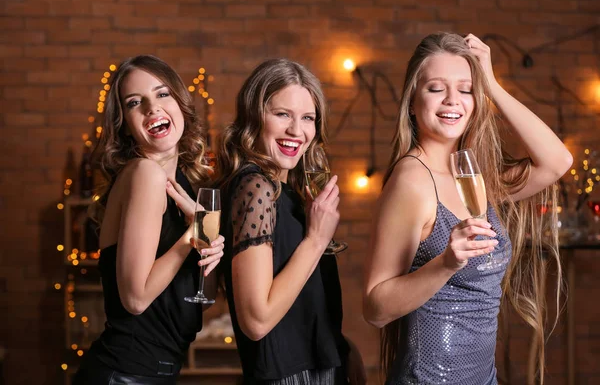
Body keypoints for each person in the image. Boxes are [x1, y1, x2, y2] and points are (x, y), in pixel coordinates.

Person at [363, 33, 572, 384]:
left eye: (465, 89)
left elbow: (556, 162)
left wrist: (489, 83)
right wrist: (446, 263)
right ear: (413, 101)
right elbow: (375, 309)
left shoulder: (474, 174)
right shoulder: (412, 181)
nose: (452, 101)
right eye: (435, 88)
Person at [73, 55, 225, 384]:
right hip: (125, 374)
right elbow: (136, 298)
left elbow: (205, 298)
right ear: (125, 124)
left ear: (181, 104)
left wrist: (208, 241)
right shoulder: (143, 174)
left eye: (162, 94)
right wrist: (191, 235)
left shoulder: (189, 184)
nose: (152, 108)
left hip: (157, 372)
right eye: (134, 102)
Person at [216, 58, 366, 385]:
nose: (296, 131)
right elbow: (257, 320)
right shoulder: (255, 188)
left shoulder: (289, 192)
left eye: (308, 118)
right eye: (282, 114)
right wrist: (315, 240)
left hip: (323, 369)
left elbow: (304, 304)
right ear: (254, 116)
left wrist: (340, 349)